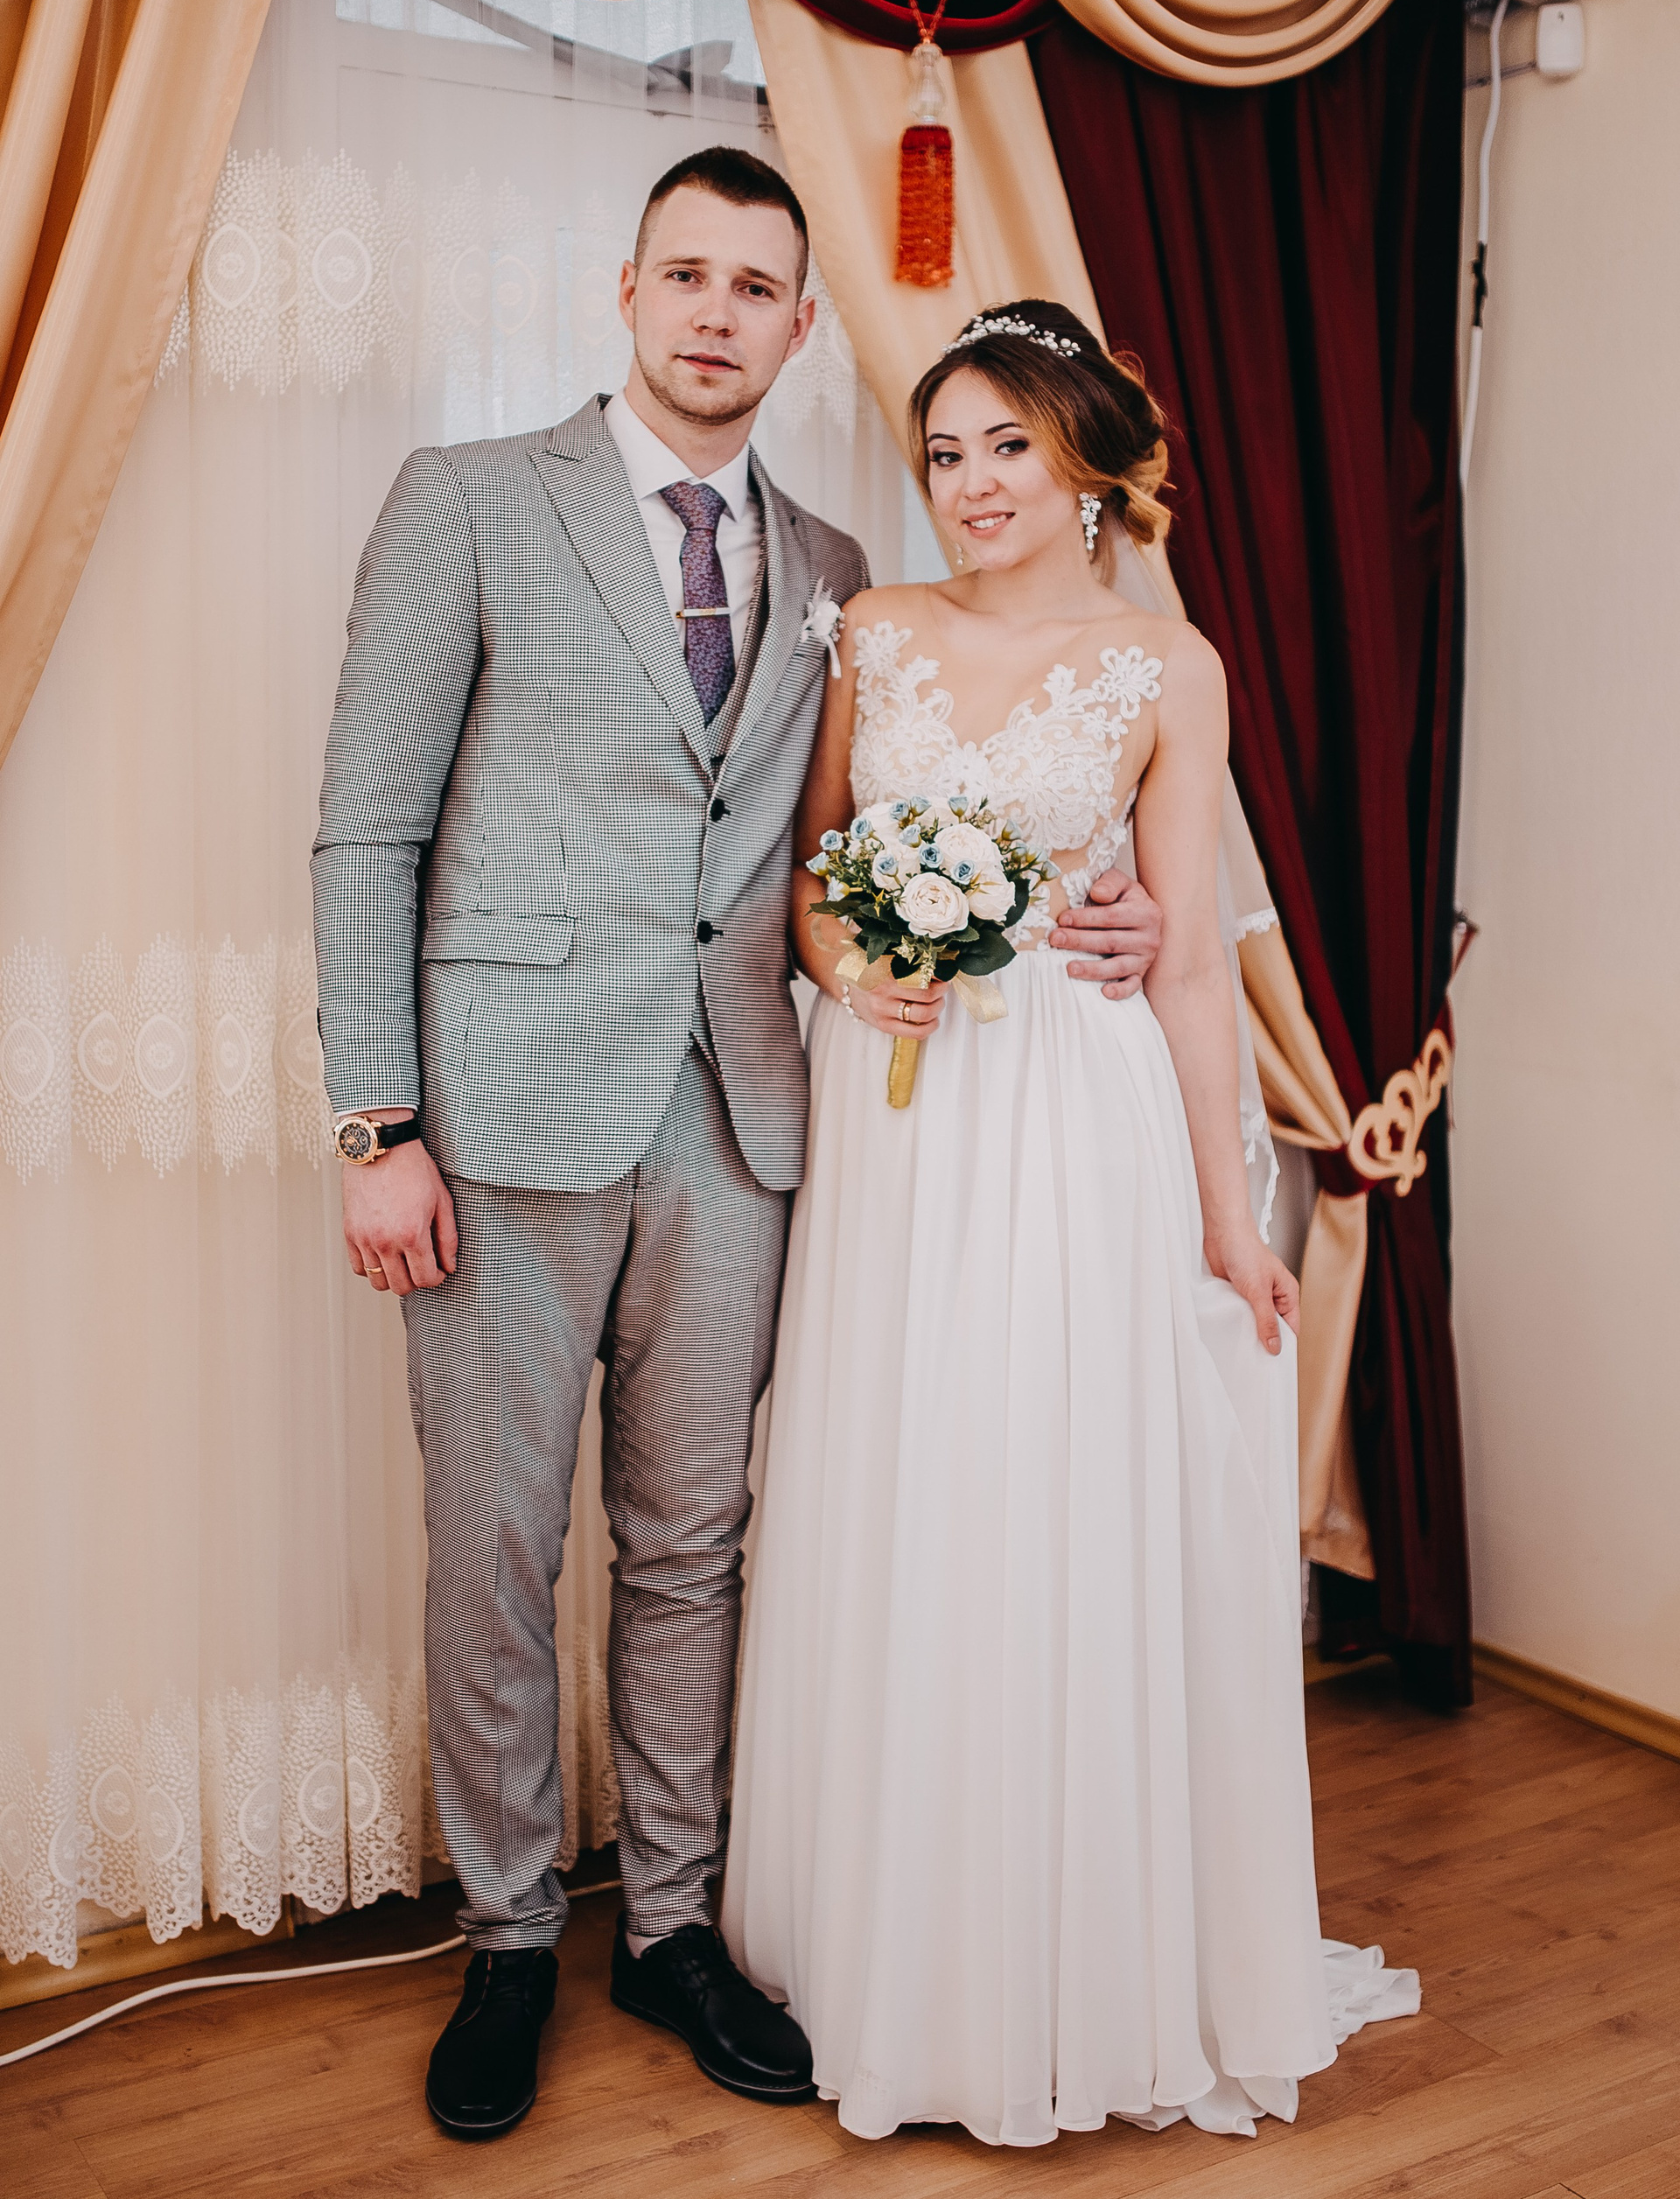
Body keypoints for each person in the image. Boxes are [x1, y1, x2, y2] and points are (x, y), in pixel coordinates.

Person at [312, 166, 1165, 2139]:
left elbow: (848, 853)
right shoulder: (468, 498)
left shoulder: (843, 568)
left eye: (757, 286)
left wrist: (1098, 903)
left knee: (695, 1546)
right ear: (626, 290)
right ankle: (509, 1939)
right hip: (503, 1120)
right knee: (495, 1545)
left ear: (801, 325)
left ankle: (671, 1926)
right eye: (686, 274)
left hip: (741, 1119)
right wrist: (377, 1124)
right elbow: (367, 828)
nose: (717, 310)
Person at [721, 299, 1420, 2147]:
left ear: (1090, 462)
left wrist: (1227, 1219)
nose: (970, 484)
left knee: (1041, 1485)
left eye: (1008, 447)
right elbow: (808, 873)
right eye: (945, 452)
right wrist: (851, 963)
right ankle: (892, 1942)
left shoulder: (1166, 669)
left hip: (1070, 1113)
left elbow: (1182, 962)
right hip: (902, 1111)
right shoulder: (874, 630)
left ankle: (1062, 1968)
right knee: (904, 1484)